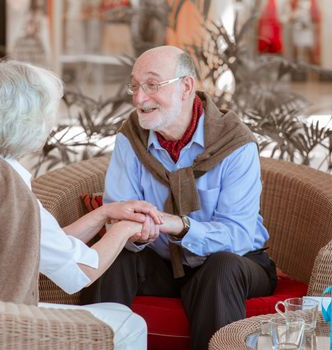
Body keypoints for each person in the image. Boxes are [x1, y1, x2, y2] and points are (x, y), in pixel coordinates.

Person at [0, 60, 163, 350]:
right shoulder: (5, 184)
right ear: (26, 121)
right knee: (129, 323)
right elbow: (79, 273)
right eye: (48, 114)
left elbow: (40, 242)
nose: (51, 122)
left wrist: (103, 214)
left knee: (119, 314)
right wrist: (124, 229)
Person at [81, 45, 277, 350]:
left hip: (236, 263)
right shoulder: (131, 138)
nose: (138, 98)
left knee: (221, 268)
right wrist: (136, 232)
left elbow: (238, 236)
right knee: (115, 254)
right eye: (135, 85)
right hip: (161, 261)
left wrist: (180, 225)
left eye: (152, 85)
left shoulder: (235, 143)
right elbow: (119, 211)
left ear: (186, 86)